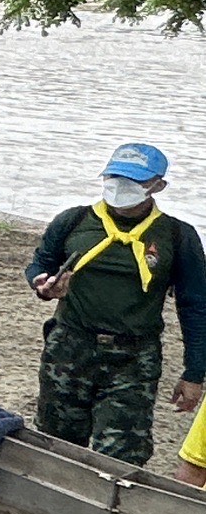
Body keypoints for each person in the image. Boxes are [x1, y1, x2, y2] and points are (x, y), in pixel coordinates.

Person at [28, 142, 206, 466]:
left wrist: (194, 373)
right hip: (69, 348)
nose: (121, 187)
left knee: (121, 459)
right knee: (55, 449)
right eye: (115, 177)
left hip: (134, 359)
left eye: (134, 181)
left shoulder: (177, 236)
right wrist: (43, 286)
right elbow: (40, 265)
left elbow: (195, 307)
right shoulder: (74, 221)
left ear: (157, 186)